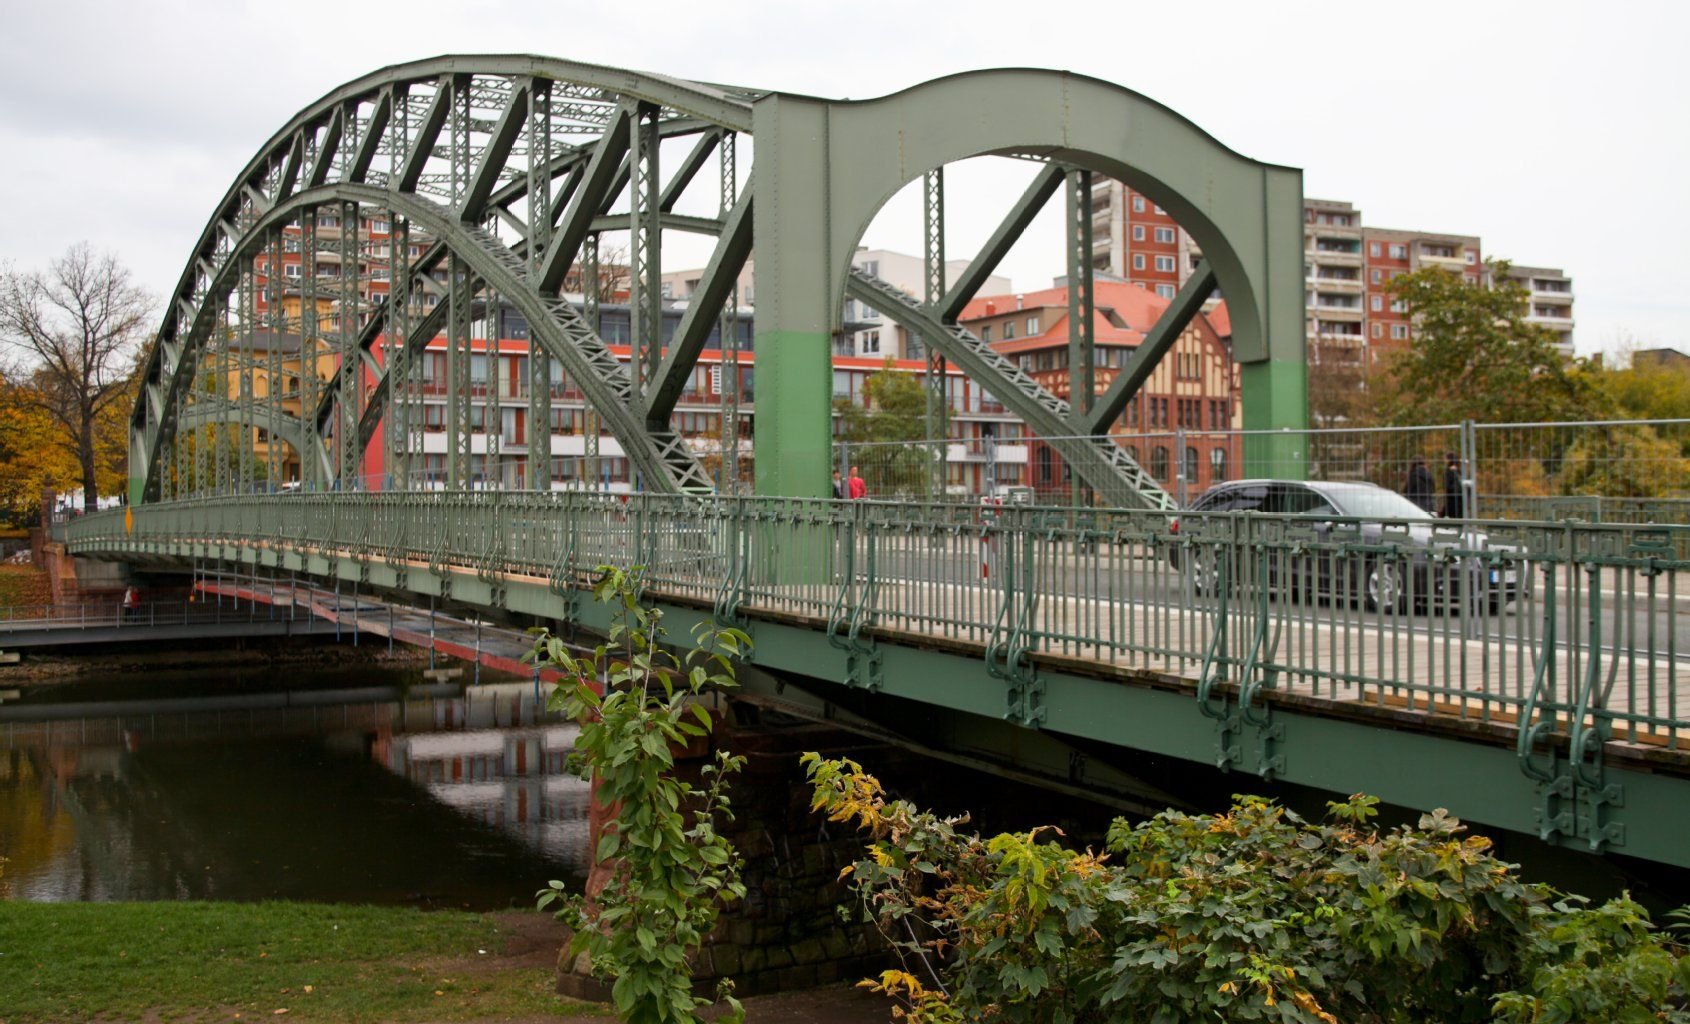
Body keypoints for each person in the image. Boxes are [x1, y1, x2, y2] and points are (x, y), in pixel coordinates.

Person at [1440, 452, 1464, 519]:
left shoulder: (1448, 471)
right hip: (1460, 500)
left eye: (1445, 459)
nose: (1444, 461)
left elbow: (1446, 486)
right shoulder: (1459, 471)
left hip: (1451, 500)